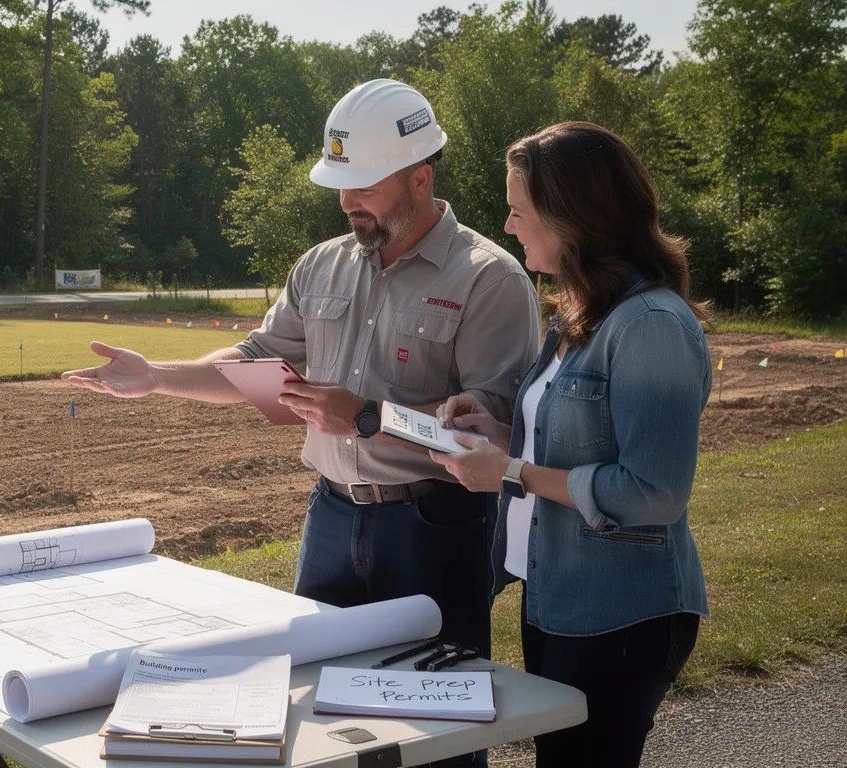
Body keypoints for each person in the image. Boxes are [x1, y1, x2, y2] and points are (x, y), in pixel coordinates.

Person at [63, 81, 539, 766]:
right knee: (314, 716)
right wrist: (158, 376)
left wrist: (369, 418)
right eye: (340, 185)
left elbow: (487, 439)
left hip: (437, 529)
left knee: (441, 729)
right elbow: (255, 360)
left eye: (364, 186)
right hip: (332, 518)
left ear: (419, 177)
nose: (348, 202)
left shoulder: (488, 278)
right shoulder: (321, 264)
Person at [429, 122, 710, 768]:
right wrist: (497, 434)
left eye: (520, 210)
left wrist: (512, 470)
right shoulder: (579, 315)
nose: (507, 224)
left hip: (621, 617)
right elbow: (575, 442)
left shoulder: (652, 325)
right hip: (555, 599)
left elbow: (653, 492)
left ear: (571, 217)